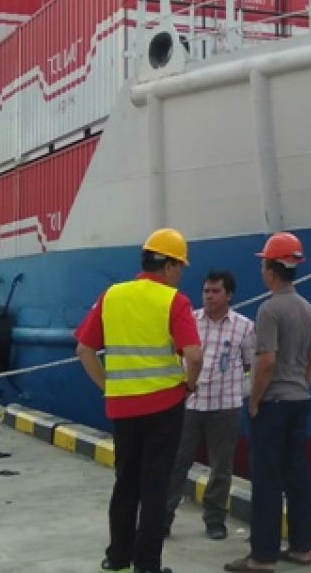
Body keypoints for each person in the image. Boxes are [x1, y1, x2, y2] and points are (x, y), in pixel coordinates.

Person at [75, 228, 203, 573]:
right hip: (164, 408)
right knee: (155, 486)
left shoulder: (112, 295)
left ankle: (117, 557)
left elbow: (84, 349)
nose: (180, 275)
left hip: (122, 408)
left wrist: (107, 385)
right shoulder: (174, 301)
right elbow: (193, 355)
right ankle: (147, 564)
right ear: (170, 266)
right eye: (181, 268)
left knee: (126, 482)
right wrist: (189, 386)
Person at [226, 232, 311, 572]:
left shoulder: (269, 310)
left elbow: (265, 361)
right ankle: (301, 547)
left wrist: (255, 401)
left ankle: (262, 556)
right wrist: (301, 386)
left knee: (266, 480)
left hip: (274, 403)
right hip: (299, 400)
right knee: (297, 474)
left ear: (270, 269)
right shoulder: (309, 309)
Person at [164, 270, 255, 540]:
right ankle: (163, 517)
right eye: (206, 291)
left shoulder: (244, 327)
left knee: (222, 467)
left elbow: (252, 363)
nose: (209, 296)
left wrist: (241, 393)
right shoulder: (189, 320)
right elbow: (175, 354)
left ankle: (215, 520)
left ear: (229, 295)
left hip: (225, 407)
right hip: (190, 404)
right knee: (177, 462)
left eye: (215, 291)